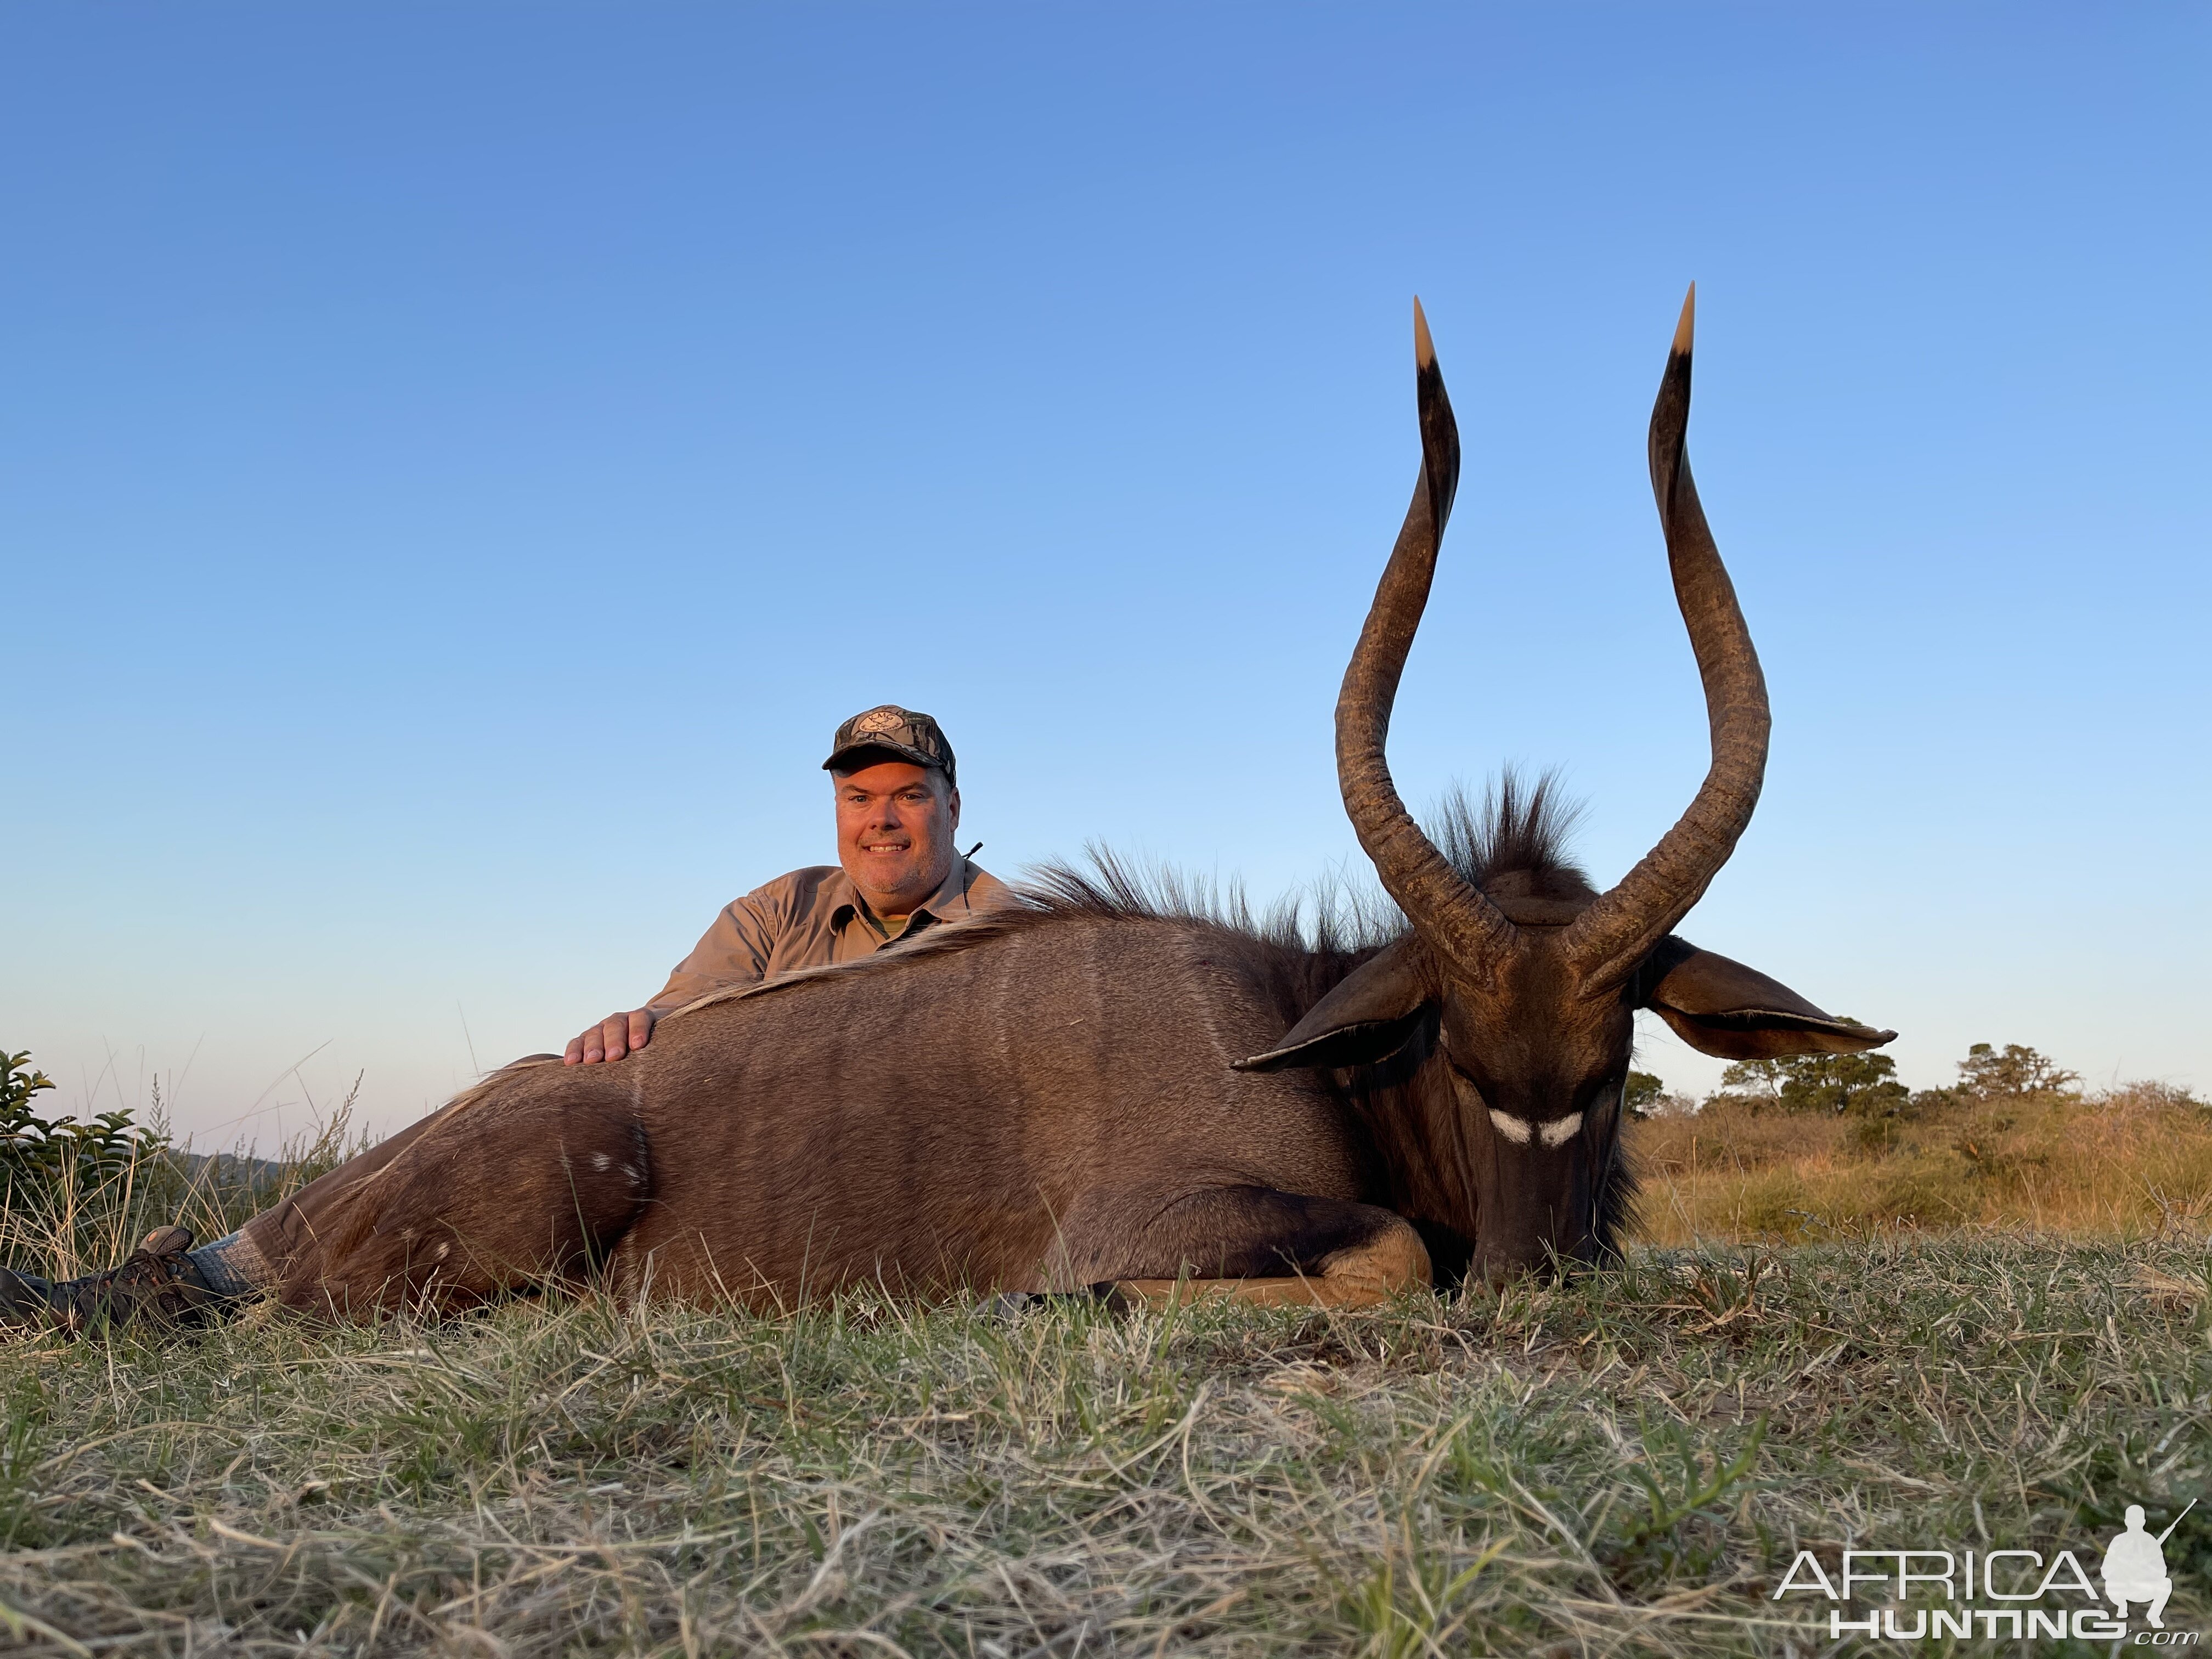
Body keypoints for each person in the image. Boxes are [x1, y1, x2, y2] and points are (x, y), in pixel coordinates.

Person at [2, 706, 1011, 1336]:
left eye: (908, 795)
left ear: (952, 804)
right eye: (861, 794)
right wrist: (637, 1023)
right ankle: (200, 1281)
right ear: (838, 807)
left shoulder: (1006, 937)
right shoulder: (778, 905)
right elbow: (677, 1012)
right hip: (733, 1152)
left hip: (870, 1188)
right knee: (543, 1087)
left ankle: (231, 1291)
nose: (882, 816)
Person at [2102, 1504, 2175, 1628]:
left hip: (2144, 1588)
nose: (2134, 1524)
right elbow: (2106, 1570)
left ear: (2143, 1522)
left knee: (2167, 1583)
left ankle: (2154, 1615)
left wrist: (2146, 1570)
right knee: (2110, 1584)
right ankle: (2122, 1606)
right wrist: (2124, 1569)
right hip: (2123, 1588)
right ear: (2126, 1522)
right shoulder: (2118, 1541)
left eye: (2138, 1520)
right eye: (2131, 1520)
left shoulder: (2151, 1542)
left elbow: (2162, 1571)